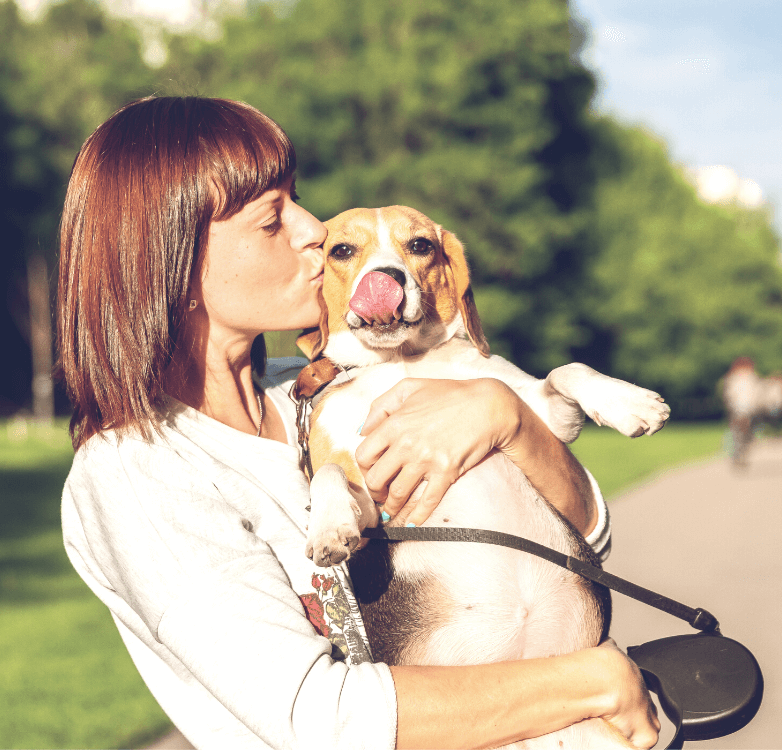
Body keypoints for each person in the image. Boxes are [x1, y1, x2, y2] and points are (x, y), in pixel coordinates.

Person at [56, 96, 658, 749]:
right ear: (172, 262)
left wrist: (505, 415)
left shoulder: (324, 392)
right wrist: (590, 682)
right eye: (270, 219)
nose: (312, 228)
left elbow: (583, 549)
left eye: (298, 199)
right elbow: (320, 720)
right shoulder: (141, 472)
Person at [720, 357, 761, 466]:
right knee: (739, 433)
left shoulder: (751, 378)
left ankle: (740, 454)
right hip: (739, 409)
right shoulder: (734, 378)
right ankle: (738, 454)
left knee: (744, 434)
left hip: (748, 410)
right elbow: (729, 395)